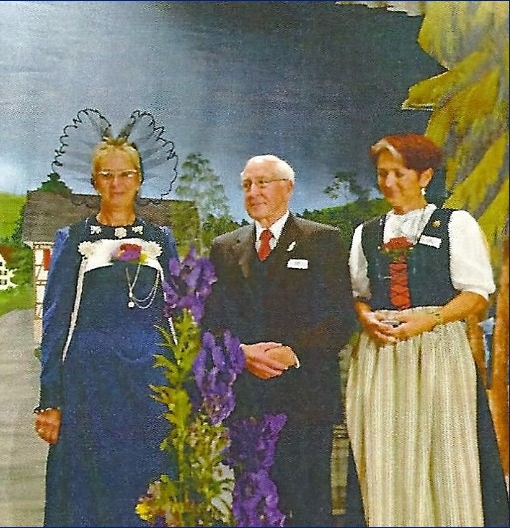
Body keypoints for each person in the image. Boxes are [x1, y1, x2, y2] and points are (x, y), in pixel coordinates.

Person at [345, 133, 508, 526]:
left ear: (425, 176)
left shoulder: (455, 224)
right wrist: (365, 318)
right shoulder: (367, 232)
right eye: (382, 174)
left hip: (438, 350)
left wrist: (430, 319)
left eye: (399, 173)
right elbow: (358, 294)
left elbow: (476, 295)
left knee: (445, 447)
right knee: (385, 449)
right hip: (383, 355)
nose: (388, 183)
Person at [34, 109, 179, 526]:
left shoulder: (160, 240)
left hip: (149, 387)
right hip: (90, 388)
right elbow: (56, 323)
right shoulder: (74, 240)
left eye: (125, 175)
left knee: (147, 484)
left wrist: (185, 388)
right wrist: (50, 400)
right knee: (91, 490)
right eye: (107, 175)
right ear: (94, 181)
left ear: (139, 179)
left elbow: (178, 318)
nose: (117, 184)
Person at [206, 154, 361, 526]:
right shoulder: (224, 247)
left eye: (263, 183)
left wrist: (293, 353)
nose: (253, 192)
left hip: (305, 399)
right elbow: (211, 321)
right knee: (249, 501)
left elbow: (340, 316)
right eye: (247, 185)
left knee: (307, 506)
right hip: (247, 399)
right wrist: (240, 354)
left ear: (288, 188)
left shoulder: (322, 240)